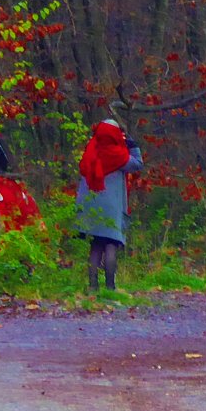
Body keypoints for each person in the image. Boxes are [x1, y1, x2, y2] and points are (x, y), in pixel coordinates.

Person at [75, 119, 143, 292]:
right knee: (111, 244)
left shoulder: (90, 153)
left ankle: (92, 287)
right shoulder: (119, 155)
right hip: (111, 209)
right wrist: (132, 145)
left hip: (91, 207)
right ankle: (110, 287)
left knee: (96, 245)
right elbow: (137, 164)